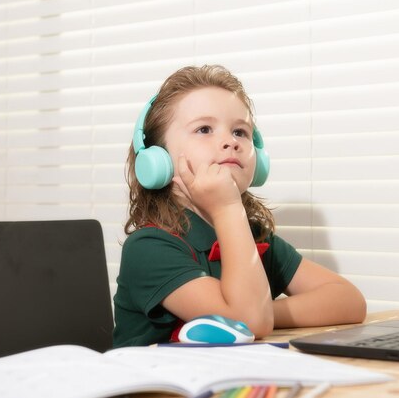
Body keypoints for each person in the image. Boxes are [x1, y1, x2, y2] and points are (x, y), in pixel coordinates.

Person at [113, 65, 366, 347]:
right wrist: (226, 208)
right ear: (158, 159)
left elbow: (349, 300)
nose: (230, 142)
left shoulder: (254, 237)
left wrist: (267, 311)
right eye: (204, 129)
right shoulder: (149, 248)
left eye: (240, 132)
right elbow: (250, 321)